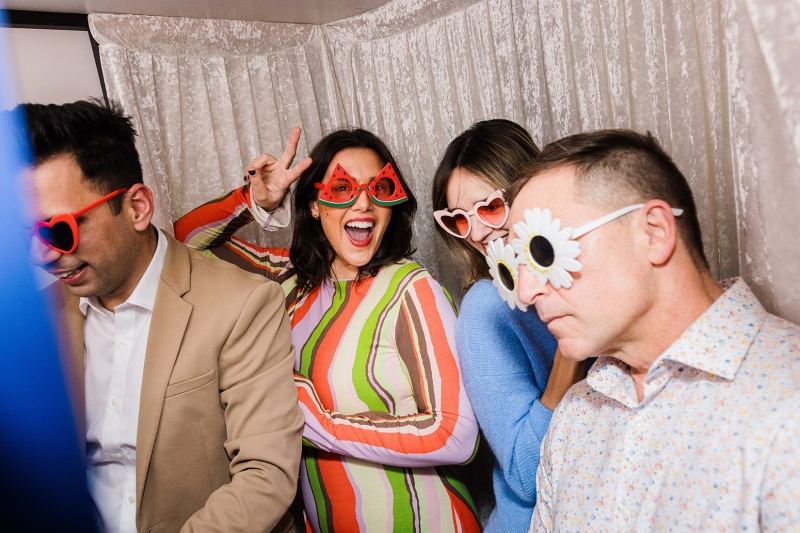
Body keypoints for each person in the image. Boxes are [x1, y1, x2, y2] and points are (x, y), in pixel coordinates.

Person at [175, 127, 482, 532]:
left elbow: (456, 434)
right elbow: (185, 245)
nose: (363, 203)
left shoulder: (411, 286)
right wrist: (253, 201)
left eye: (380, 189)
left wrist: (316, 420)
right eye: (341, 189)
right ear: (314, 205)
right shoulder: (284, 284)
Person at [493, 129, 800, 531]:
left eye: (544, 251)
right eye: (516, 267)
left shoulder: (786, 403)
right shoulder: (574, 415)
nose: (528, 291)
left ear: (654, 232)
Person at [23, 100, 304, 533]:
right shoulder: (35, 320)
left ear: (137, 207)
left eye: (59, 230)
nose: (43, 255)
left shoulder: (243, 305)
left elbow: (265, 476)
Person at [431, 119, 585, 532]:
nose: (478, 232)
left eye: (490, 206)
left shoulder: (589, 270)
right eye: (458, 220)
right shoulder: (486, 307)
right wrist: (572, 347)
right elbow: (521, 470)